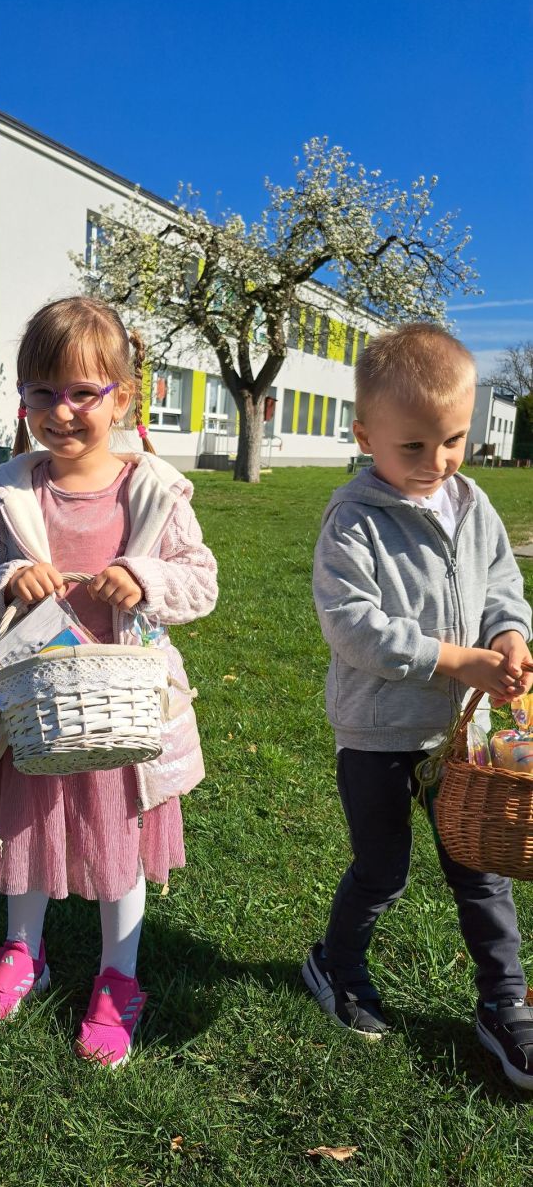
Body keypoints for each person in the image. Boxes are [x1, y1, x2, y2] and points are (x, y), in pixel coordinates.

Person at [0, 297, 218, 1066]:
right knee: (28, 825)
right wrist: (6, 579)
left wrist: (145, 577)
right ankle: (21, 950)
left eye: (82, 393)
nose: (61, 411)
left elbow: (200, 582)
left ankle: (117, 974)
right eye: (43, 392)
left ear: (122, 399)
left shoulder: (153, 491)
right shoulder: (11, 494)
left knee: (117, 838)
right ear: (22, 397)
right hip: (33, 705)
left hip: (123, 710)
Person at [304, 322, 533, 1089]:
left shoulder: (472, 504)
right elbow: (352, 624)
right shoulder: (354, 518)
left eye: (454, 441)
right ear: (366, 435)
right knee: (382, 871)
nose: (437, 462)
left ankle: (504, 1001)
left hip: (461, 737)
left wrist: (507, 633)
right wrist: (453, 658)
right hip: (377, 733)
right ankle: (336, 965)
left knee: (482, 871)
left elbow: (502, 583)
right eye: (414, 447)